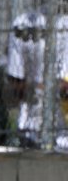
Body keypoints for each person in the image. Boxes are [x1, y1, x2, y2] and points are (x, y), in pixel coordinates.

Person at [5, 9, 68, 149]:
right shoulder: (22, 23)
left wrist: (35, 88)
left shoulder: (23, 22)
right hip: (37, 131)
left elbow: (16, 86)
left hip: (31, 131)